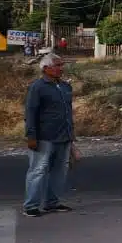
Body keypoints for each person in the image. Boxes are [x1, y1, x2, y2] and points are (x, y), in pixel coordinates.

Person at [23, 52, 78, 217]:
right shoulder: (38, 87)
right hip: (44, 137)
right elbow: (31, 112)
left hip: (64, 136)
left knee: (59, 171)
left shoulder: (65, 86)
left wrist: (72, 137)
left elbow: (67, 113)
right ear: (46, 68)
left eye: (62, 65)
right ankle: (31, 205)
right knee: (38, 170)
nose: (61, 68)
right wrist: (31, 136)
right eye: (57, 65)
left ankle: (51, 203)